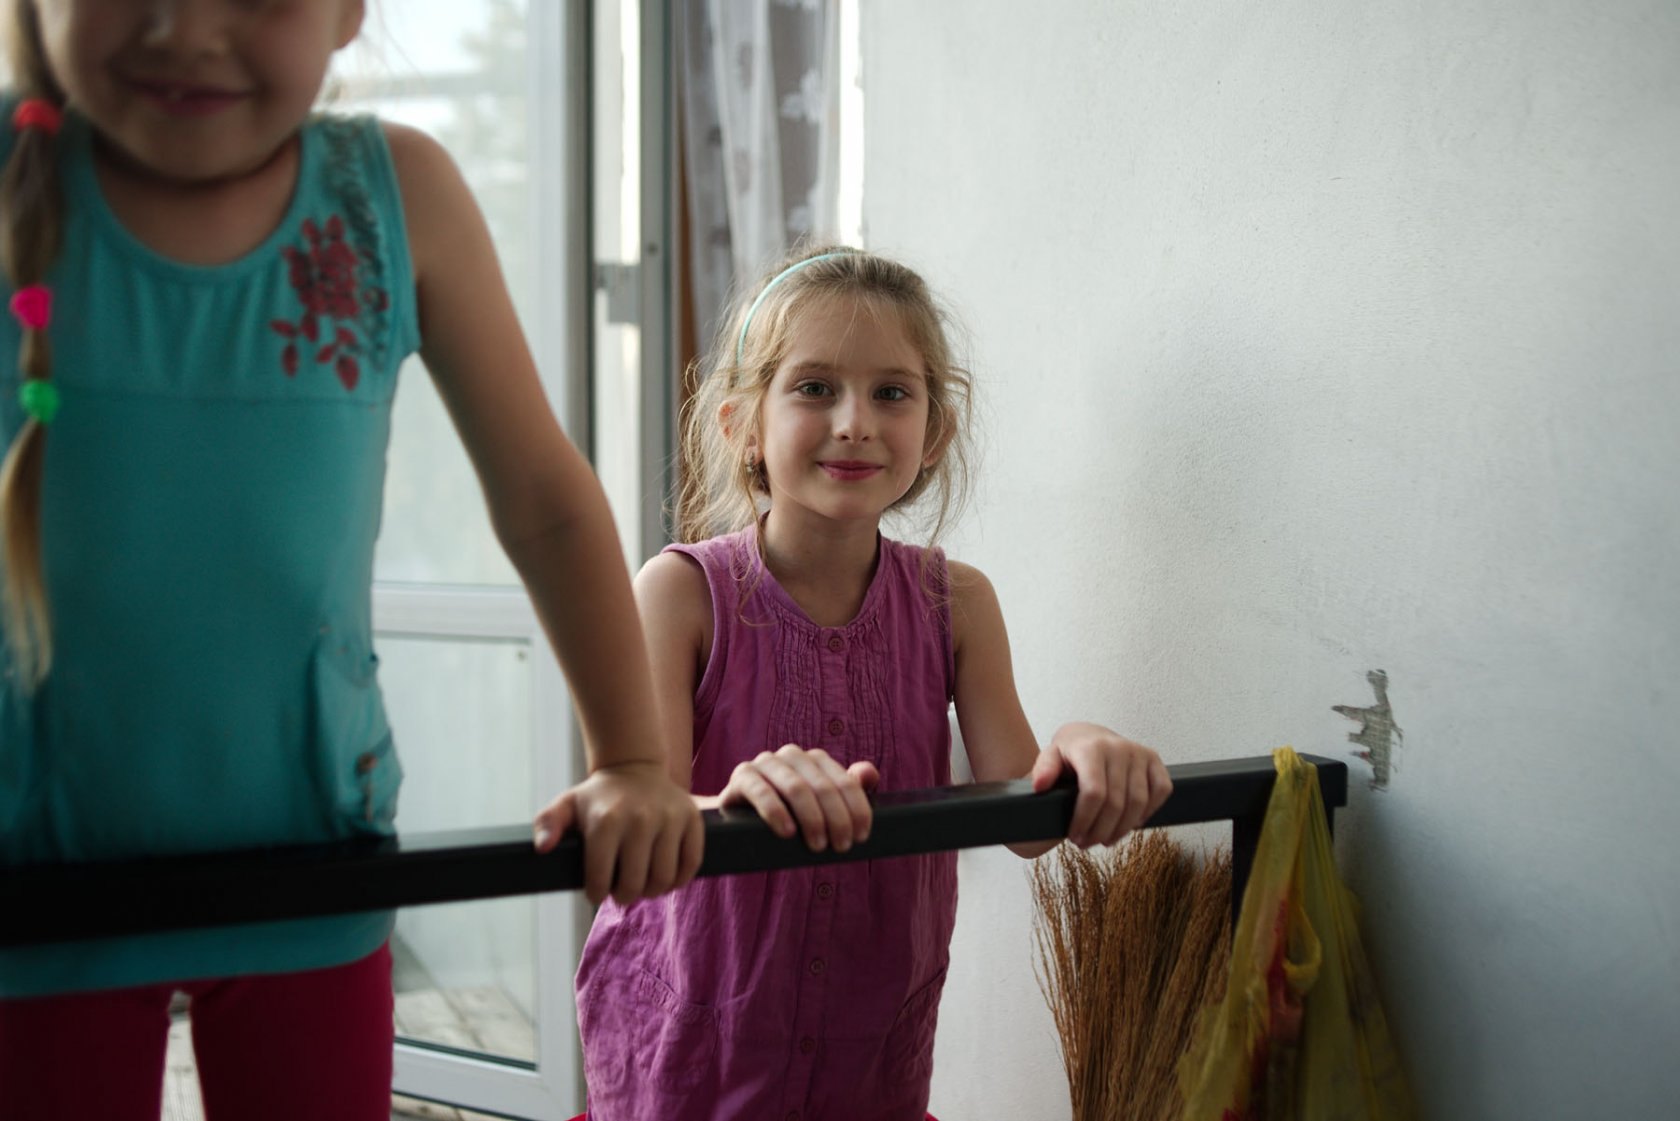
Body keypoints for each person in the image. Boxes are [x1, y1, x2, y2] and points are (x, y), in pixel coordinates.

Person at [0, 3, 700, 1118]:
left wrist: (630, 755)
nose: (187, 31)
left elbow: (545, 500)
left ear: (347, 14)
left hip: (319, 865)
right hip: (33, 894)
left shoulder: (395, 197)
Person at [573, 246, 1175, 1120]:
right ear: (743, 421)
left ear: (933, 431)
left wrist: (1081, 752)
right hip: (693, 1060)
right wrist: (731, 800)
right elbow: (637, 836)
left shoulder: (958, 603)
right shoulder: (678, 594)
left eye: (892, 392)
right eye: (814, 387)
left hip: (872, 1058)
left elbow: (1029, 822)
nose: (855, 420)